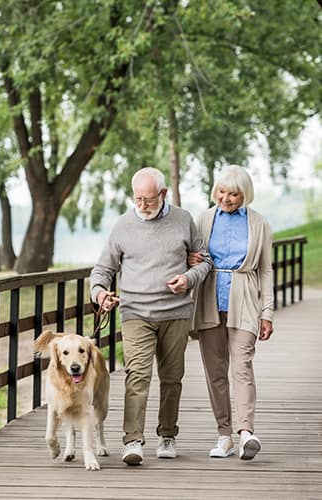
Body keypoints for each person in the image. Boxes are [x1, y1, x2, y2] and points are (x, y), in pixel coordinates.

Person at [90, 167, 212, 465]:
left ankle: (167, 434)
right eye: (137, 199)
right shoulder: (122, 226)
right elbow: (102, 270)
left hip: (175, 312)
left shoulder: (183, 220)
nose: (142, 205)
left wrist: (188, 278)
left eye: (148, 199)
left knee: (172, 378)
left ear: (163, 194)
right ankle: (133, 440)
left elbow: (205, 260)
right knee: (138, 375)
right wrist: (100, 294)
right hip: (135, 312)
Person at [189, 164, 274, 461]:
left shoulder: (259, 223)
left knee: (242, 367)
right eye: (222, 192)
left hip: (245, 300)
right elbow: (193, 259)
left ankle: (245, 432)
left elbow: (265, 270)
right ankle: (224, 435)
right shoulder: (202, 219)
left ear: (245, 195)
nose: (226, 198)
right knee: (215, 372)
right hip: (210, 299)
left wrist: (267, 312)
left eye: (234, 194)